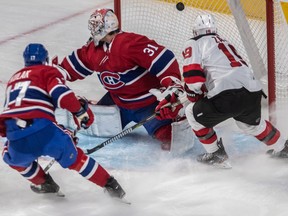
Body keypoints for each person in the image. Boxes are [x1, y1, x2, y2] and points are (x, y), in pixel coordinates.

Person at [159, 14, 288, 168]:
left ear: (195, 32)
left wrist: (187, 97)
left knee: (191, 113)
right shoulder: (225, 43)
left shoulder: (194, 42)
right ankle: (283, 147)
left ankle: (216, 155)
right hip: (253, 92)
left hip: (227, 94)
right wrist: (188, 95)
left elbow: (194, 81)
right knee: (252, 125)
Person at [0, 43, 126, 199]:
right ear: (45, 59)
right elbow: (61, 94)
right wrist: (79, 112)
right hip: (44, 129)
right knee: (77, 160)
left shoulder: (13, 79)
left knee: (14, 159)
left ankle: (45, 183)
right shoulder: (47, 71)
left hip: (15, 133)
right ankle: (112, 187)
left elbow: (16, 109)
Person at [59, 8, 184, 151]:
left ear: (106, 27)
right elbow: (77, 62)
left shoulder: (129, 43)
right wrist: (54, 73)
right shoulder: (94, 49)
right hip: (117, 101)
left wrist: (172, 85)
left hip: (147, 104)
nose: (93, 28)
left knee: (170, 139)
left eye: (96, 24)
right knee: (91, 124)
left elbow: (164, 58)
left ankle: (175, 120)